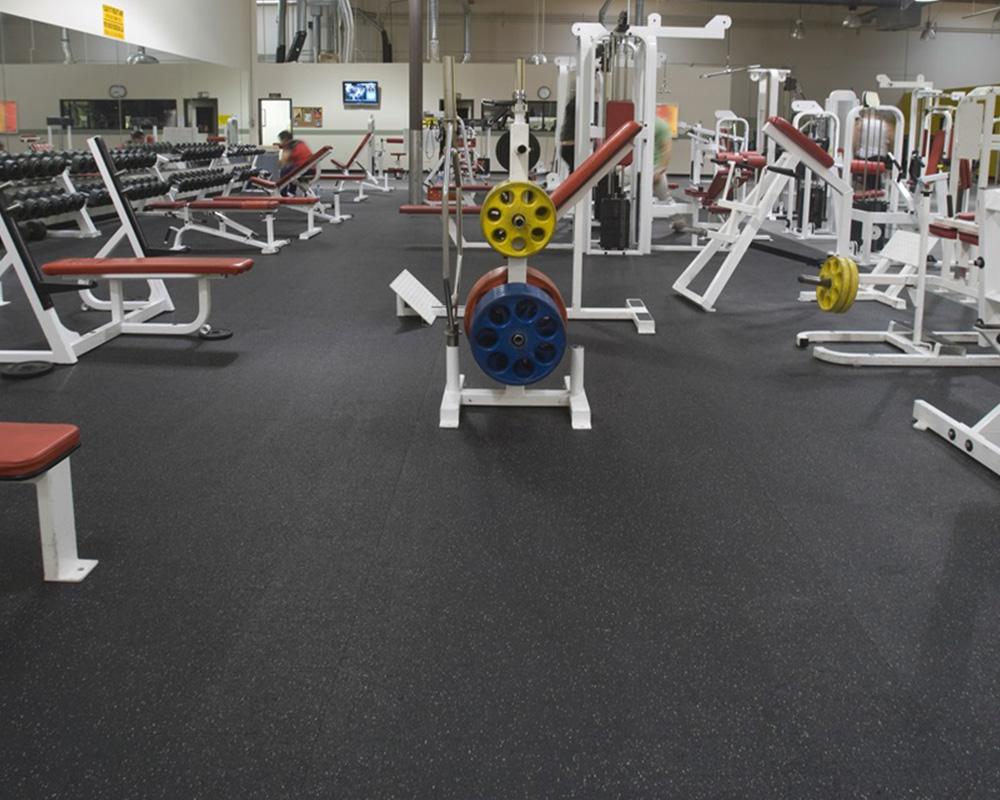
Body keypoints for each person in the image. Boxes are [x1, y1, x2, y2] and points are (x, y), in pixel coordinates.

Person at [276, 130, 314, 195]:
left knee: (284, 171)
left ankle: (283, 194)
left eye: (281, 140)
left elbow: (284, 161)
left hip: (303, 168)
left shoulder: (289, 145)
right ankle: (291, 192)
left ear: (284, 140)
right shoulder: (300, 142)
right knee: (292, 170)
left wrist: (277, 166)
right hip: (312, 168)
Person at [652, 113, 674, 202]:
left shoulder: (660, 124)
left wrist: (660, 170)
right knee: (618, 180)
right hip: (638, 166)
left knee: (665, 199)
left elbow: (667, 149)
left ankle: (675, 213)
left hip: (655, 166)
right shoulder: (635, 122)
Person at [559, 96, 576, 172]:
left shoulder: (568, 118)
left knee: (573, 170)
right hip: (571, 147)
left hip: (565, 147)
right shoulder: (575, 118)